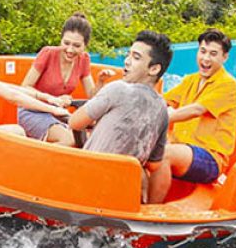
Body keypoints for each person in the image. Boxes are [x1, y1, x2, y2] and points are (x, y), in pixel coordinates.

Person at [68, 30, 172, 203]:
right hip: (125, 192)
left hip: (90, 184)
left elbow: (75, 122)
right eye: (128, 55)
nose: (127, 61)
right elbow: (154, 165)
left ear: (154, 69)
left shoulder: (118, 89)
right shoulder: (162, 108)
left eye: (136, 57)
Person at [157, 28, 236, 196]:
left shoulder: (227, 85)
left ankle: (152, 208)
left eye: (213, 54)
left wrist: (164, 116)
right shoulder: (191, 80)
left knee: (162, 154)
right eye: (203, 51)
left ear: (224, 57)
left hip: (210, 158)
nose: (206, 58)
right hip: (182, 148)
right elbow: (162, 101)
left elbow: (197, 109)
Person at [19, 13, 115, 146]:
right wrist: (53, 99)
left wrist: (101, 81)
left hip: (58, 114)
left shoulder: (84, 59)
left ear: (85, 46)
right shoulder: (48, 54)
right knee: (70, 140)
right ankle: (35, 159)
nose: (70, 50)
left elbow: (92, 96)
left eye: (76, 45)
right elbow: (24, 88)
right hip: (34, 111)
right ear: (61, 40)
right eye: (66, 43)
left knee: (89, 138)